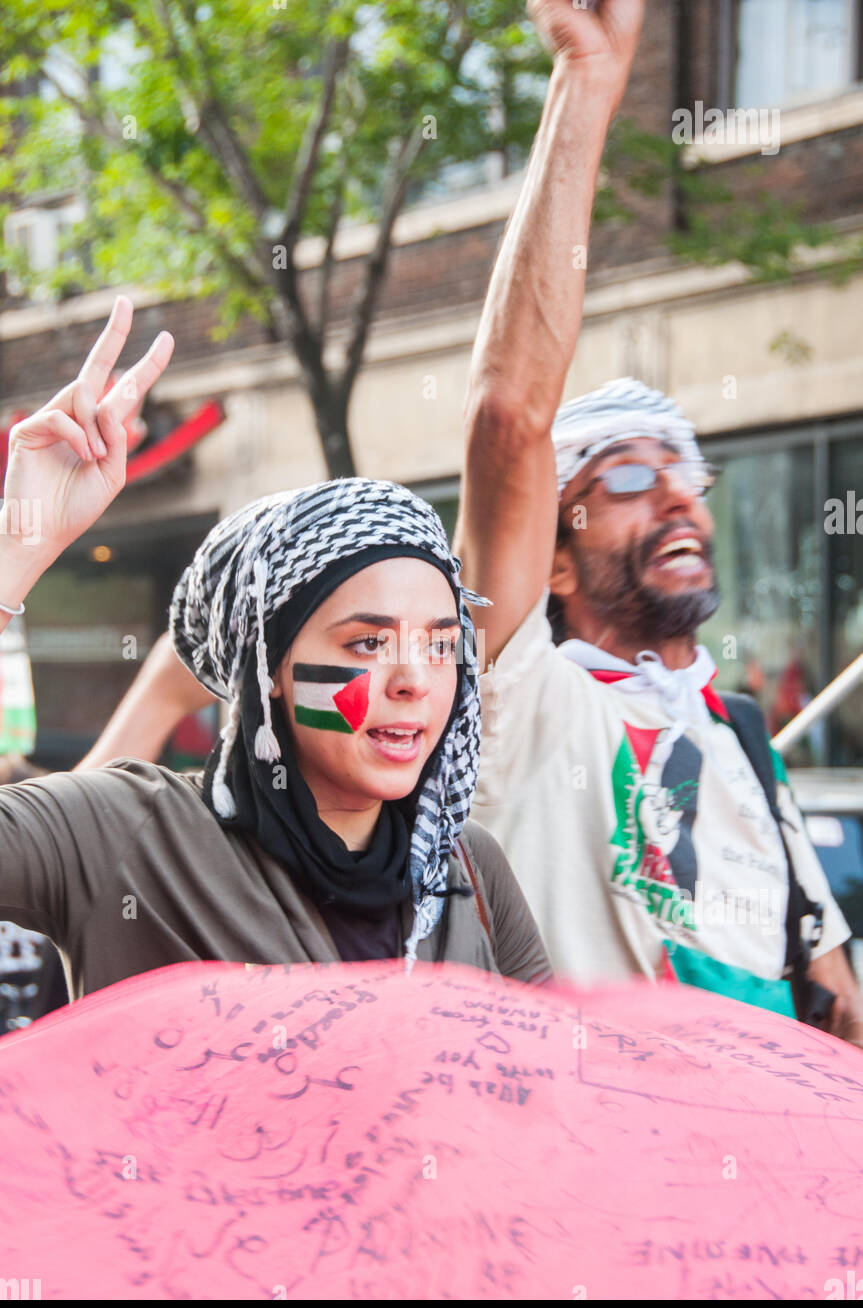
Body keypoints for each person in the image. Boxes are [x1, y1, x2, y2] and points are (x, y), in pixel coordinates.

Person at [452, 0, 863, 1040]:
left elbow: (830, 1001)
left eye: (685, 472)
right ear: (548, 559)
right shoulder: (522, 707)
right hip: (586, 1179)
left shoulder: (735, 737)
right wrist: (584, 91)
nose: (678, 494)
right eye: (627, 478)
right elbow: (508, 417)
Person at [0, 297, 551, 1001]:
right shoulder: (128, 834)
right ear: (271, 671)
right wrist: (15, 552)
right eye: (369, 641)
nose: (415, 678)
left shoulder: (468, 866)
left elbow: (550, 1080)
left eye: (442, 646)